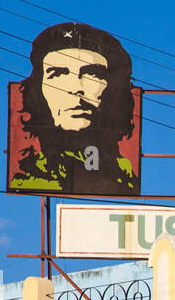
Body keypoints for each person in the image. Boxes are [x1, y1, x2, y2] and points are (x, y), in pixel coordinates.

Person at [9, 22, 139, 195]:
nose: (75, 87)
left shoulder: (126, 177)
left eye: (93, 74)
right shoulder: (23, 174)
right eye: (58, 74)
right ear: (38, 88)